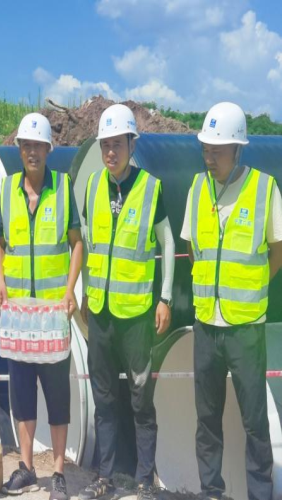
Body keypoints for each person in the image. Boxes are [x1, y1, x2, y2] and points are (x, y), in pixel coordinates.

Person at [181, 102, 282, 500]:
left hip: (245, 329)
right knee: (207, 419)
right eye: (205, 150)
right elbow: (194, 249)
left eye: (217, 151)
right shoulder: (196, 188)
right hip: (207, 324)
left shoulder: (264, 189)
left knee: (255, 421)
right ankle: (211, 491)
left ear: (238, 149)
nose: (209, 158)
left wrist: (253, 284)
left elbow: (277, 249)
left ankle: (260, 493)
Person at [79, 104, 175, 500]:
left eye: (117, 144)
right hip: (101, 313)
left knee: (140, 399)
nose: (110, 152)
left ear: (131, 145)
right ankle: (105, 476)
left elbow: (167, 243)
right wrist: (85, 292)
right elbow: (88, 246)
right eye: (105, 145)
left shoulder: (151, 188)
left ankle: (143, 480)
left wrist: (165, 297)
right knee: (103, 399)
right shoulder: (92, 187)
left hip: (136, 316)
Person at [0, 114, 83, 500]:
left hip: (51, 314)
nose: (32, 152)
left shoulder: (62, 187)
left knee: (57, 394)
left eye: (38, 146)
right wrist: (0, 281)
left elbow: (77, 243)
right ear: (20, 150)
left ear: (48, 149)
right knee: (22, 394)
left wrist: (70, 289)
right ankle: (27, 468)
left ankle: (58, 472)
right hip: (18, 315)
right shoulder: (8, 189)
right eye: (26, 145)